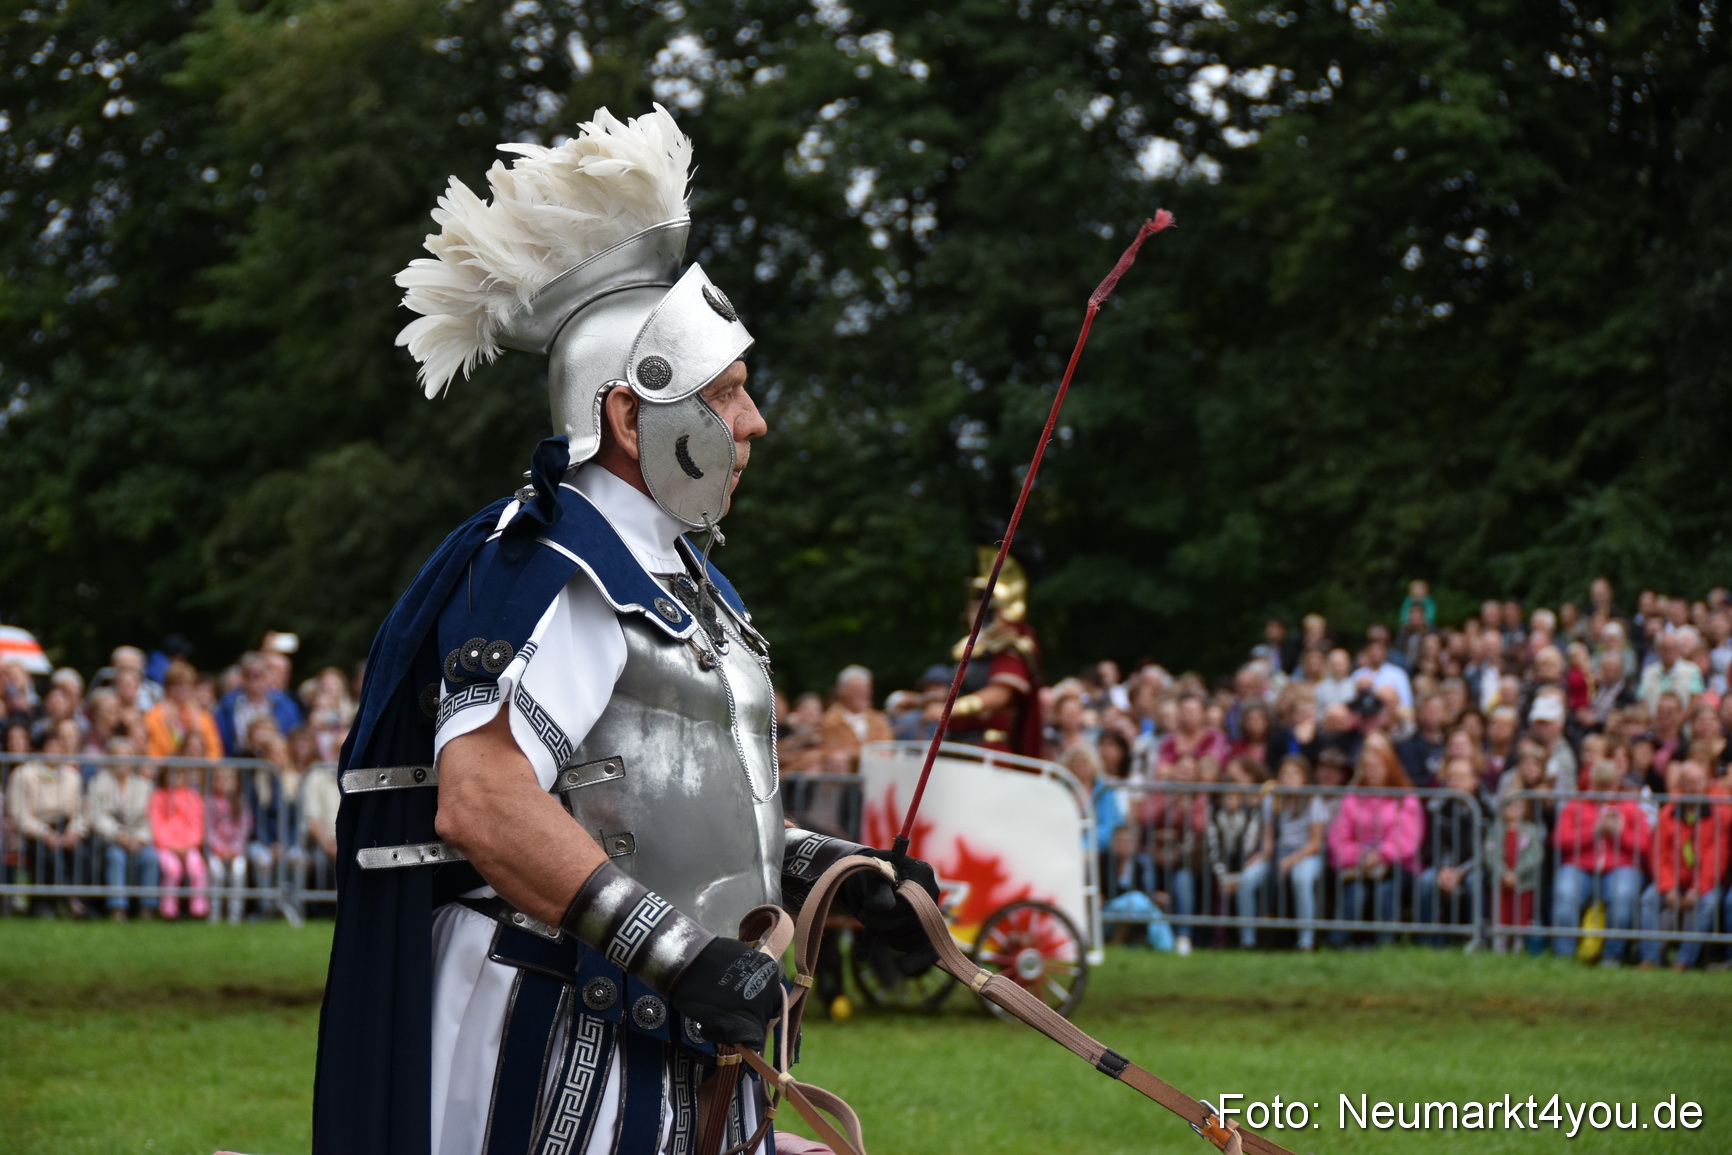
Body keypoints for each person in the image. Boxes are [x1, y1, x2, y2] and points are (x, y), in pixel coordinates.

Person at [313, 108, 939, 1155]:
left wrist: (838, 871)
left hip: (668, 1015)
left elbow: (657, 809)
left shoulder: (682, 578)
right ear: (626, 415)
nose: (754, 424)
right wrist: (682, 956)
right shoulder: (547, 564)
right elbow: (484, 802)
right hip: (564, 1022)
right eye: (728, 393)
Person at [937, 549, 1044, 756]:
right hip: (957, 745)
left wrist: (950, 710)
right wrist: (922, 702)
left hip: (988, 752)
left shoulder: (1011, 648)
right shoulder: (975, 649)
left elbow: (999, 695)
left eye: (985, 606)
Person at [1327, 734, 1421, 948]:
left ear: (1389, 767)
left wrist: (1380, 855)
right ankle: (1339, 943)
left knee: (1385, 890)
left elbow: (1407, 839)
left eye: (1377, 767)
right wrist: (1359, 855)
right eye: (1367, 767)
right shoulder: (1352, 798)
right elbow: (1339, 837)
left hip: (1396, 866)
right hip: (1358, 865)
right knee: (1355, 891)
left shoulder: (1404, 797)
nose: (1371, 773)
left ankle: (1383, 945)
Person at [1551, 760, 1648, 966]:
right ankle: (1564, 955)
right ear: (1591, 782)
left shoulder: (1631, 808)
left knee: (1622, 897)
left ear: (1616, 784)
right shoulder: (1575, 805)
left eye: (1609, 785)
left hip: (1621, 867)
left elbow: (1646, 846)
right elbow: (1560, 841)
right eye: (1599, 785)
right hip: (1580, 866)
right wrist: (1593, 831)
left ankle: (1612, 956)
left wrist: (1621, 833)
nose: (1604, 791)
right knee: (1565, 894)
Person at [1637, 760, 1731, 970]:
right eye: (1689, 782)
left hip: (1703, 883)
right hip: (1674, 880)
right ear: (1680, 784)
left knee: (1708, 904)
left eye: (1698, 782)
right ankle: (1650, 958)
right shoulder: (1667, 814)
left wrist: (1699, 888)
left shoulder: (1719, 815)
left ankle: (1683, 960)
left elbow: (1716, 858)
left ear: (1705, 783)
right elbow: (1659, 855)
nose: (1694, 787)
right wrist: (1668, 887)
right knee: (1648, 900)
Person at [1238, 754, 1326, 950]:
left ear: (1304, 777)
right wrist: (1260, 858)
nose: (1289, 778)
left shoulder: (1314, 801)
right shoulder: (1272, 800)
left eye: (1295, 773)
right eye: (1285, 774)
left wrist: (1291, 860)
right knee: (1247, 879)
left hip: (1306, 854)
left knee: (1300, 878)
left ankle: (1306, 941)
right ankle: (1248, 939)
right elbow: (1268, 840)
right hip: (1279, 852)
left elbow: (1315, 843)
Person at [7, 721, 88, 917]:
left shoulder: (72, 776)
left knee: (83, 854)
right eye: (51, 747)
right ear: (41, 749)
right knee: (49, 856)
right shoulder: (23, 774)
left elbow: (80, 811)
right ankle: (60, 902)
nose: (55, 752)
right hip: (33, 831)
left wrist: (75, 830)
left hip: (65, 827)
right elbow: (19, 813)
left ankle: (79, 901)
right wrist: (44, 833)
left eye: (59, 747)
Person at [85, 736, 158, 920]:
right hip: (110, 840)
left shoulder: (144, 786)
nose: (122, 761)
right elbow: (96, 815)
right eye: (117, 756)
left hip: (137, 839)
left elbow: (148, 819)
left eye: (126, 756)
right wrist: (119, 835)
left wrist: (140, 839)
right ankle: (118, 908)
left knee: (150, 856)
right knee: (116, 856)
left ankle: (147, 908)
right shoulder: (98, 783)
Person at [1415, 757, 1485, 946]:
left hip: (1473, 868)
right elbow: (1435, 845)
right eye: (1452, 777)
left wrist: (1462, 872)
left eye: (1462, 777)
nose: (1456, 782)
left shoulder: (1487, 807)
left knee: (1474, 882)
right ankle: (1428, 942)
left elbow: (1486, 849)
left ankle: (1474, 939)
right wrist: (1445, 869)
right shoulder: (1438, 806)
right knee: (1427, 880)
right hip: (1444, 866)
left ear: (1474, 781)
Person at [150, 756, 209, 921]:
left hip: (188, 846)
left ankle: (199, 908)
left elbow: (197, 823)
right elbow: (157, 823)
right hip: (166, 846)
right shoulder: (159, 796)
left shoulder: (192, 796)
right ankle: (169, 909)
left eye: (179, 774)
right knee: (172, 869)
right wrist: (170, 845)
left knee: (197, 868)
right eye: (171, 775)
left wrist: (189, 844)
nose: (175, 779)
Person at [215, 652, 305, 757]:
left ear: (269, 675)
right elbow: (220, 739)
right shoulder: (227, 706)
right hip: (238, 763)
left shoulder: (286, 705)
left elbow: (294, 736)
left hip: (275, 765)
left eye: (260, 674)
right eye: (249, 674)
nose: (255, 678)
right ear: (242, 677)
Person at [814, 665, 892, 773]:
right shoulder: (830, 720)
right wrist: (871, 754)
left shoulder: (879, 719)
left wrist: (853, 753)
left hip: (876, 778)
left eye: (866, 689)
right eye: (857, 689)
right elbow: (833, 751)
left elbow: (886, 749)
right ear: (843, 691)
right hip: (844, 783)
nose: (864, 693)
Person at [143, 660, 223, 759]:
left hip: (198, 771)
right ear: (167, 688)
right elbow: (151, 749)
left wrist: (203, 768)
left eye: (186, 685)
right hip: (165, 770)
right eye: (176, 685)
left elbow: (214, 750)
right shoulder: (154, 714)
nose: (181, 690)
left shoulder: (204, 717)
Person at [205, 763, 252, 923]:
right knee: (216, 871)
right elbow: (209, 829)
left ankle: (235, 913)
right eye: (221, 779)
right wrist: (219, 847)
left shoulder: (241, 802)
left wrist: (235, 848)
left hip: (235, 850)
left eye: (229, 779)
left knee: (238, 870)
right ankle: (215, 912)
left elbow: (244, 828)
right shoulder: (210, 802)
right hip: (216, 850)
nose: (225, 783)